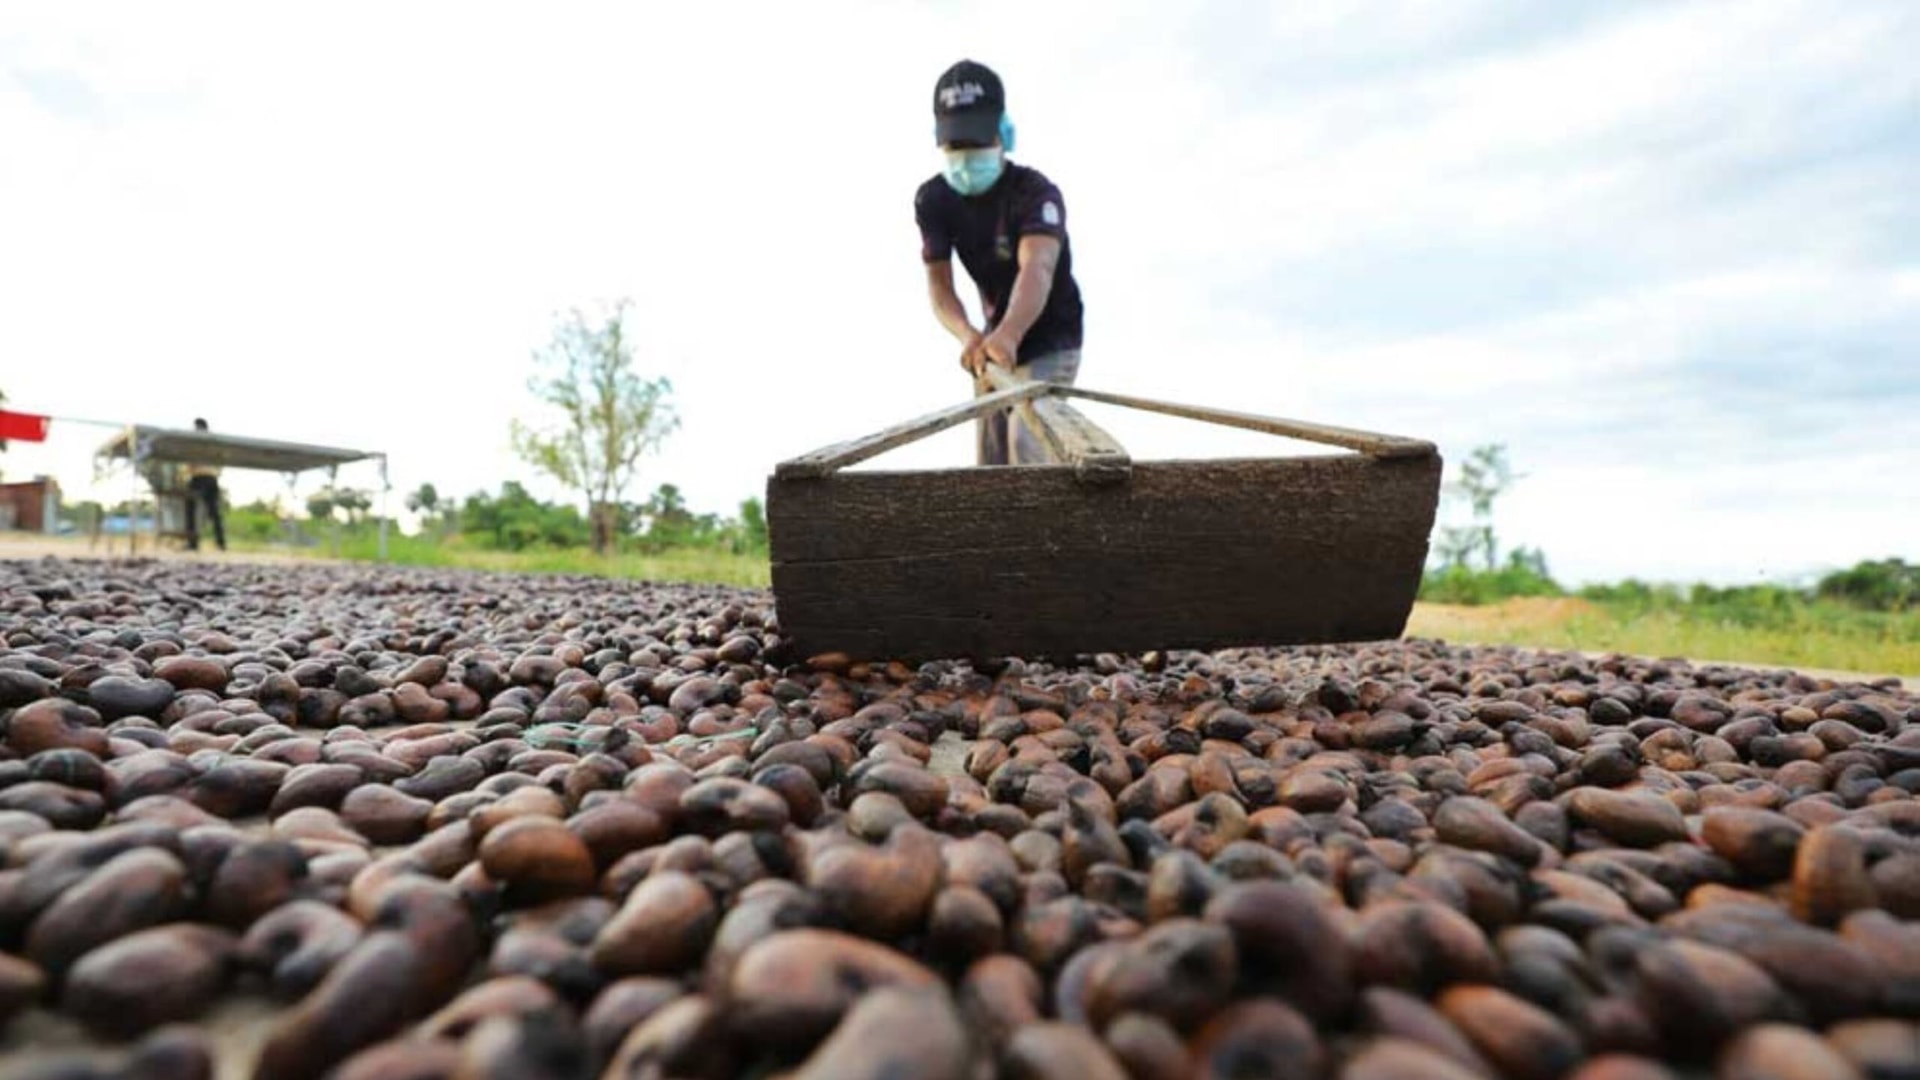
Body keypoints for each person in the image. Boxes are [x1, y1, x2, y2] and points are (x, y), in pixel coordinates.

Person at [915, 59, 1085, 466]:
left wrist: (1010, 333)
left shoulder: (1036, 194)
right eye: (956, 146)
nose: (966, 155)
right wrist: (967, 335)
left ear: (1002, 135)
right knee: (990, 466)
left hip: (1049, 338)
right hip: (990, 346)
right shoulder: (934, 200)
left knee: (1027, 444)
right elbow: (940, 287)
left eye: (976, 143)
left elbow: (1037, 270)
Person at [184, 418, 227, 552]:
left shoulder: (193, 442)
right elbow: (221, 460)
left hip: (198, 477)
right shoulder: (214, 441)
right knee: (214, 512)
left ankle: (193, 543)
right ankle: (221, 544)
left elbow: (188, 463)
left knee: (192, 511)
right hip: (211, 478)